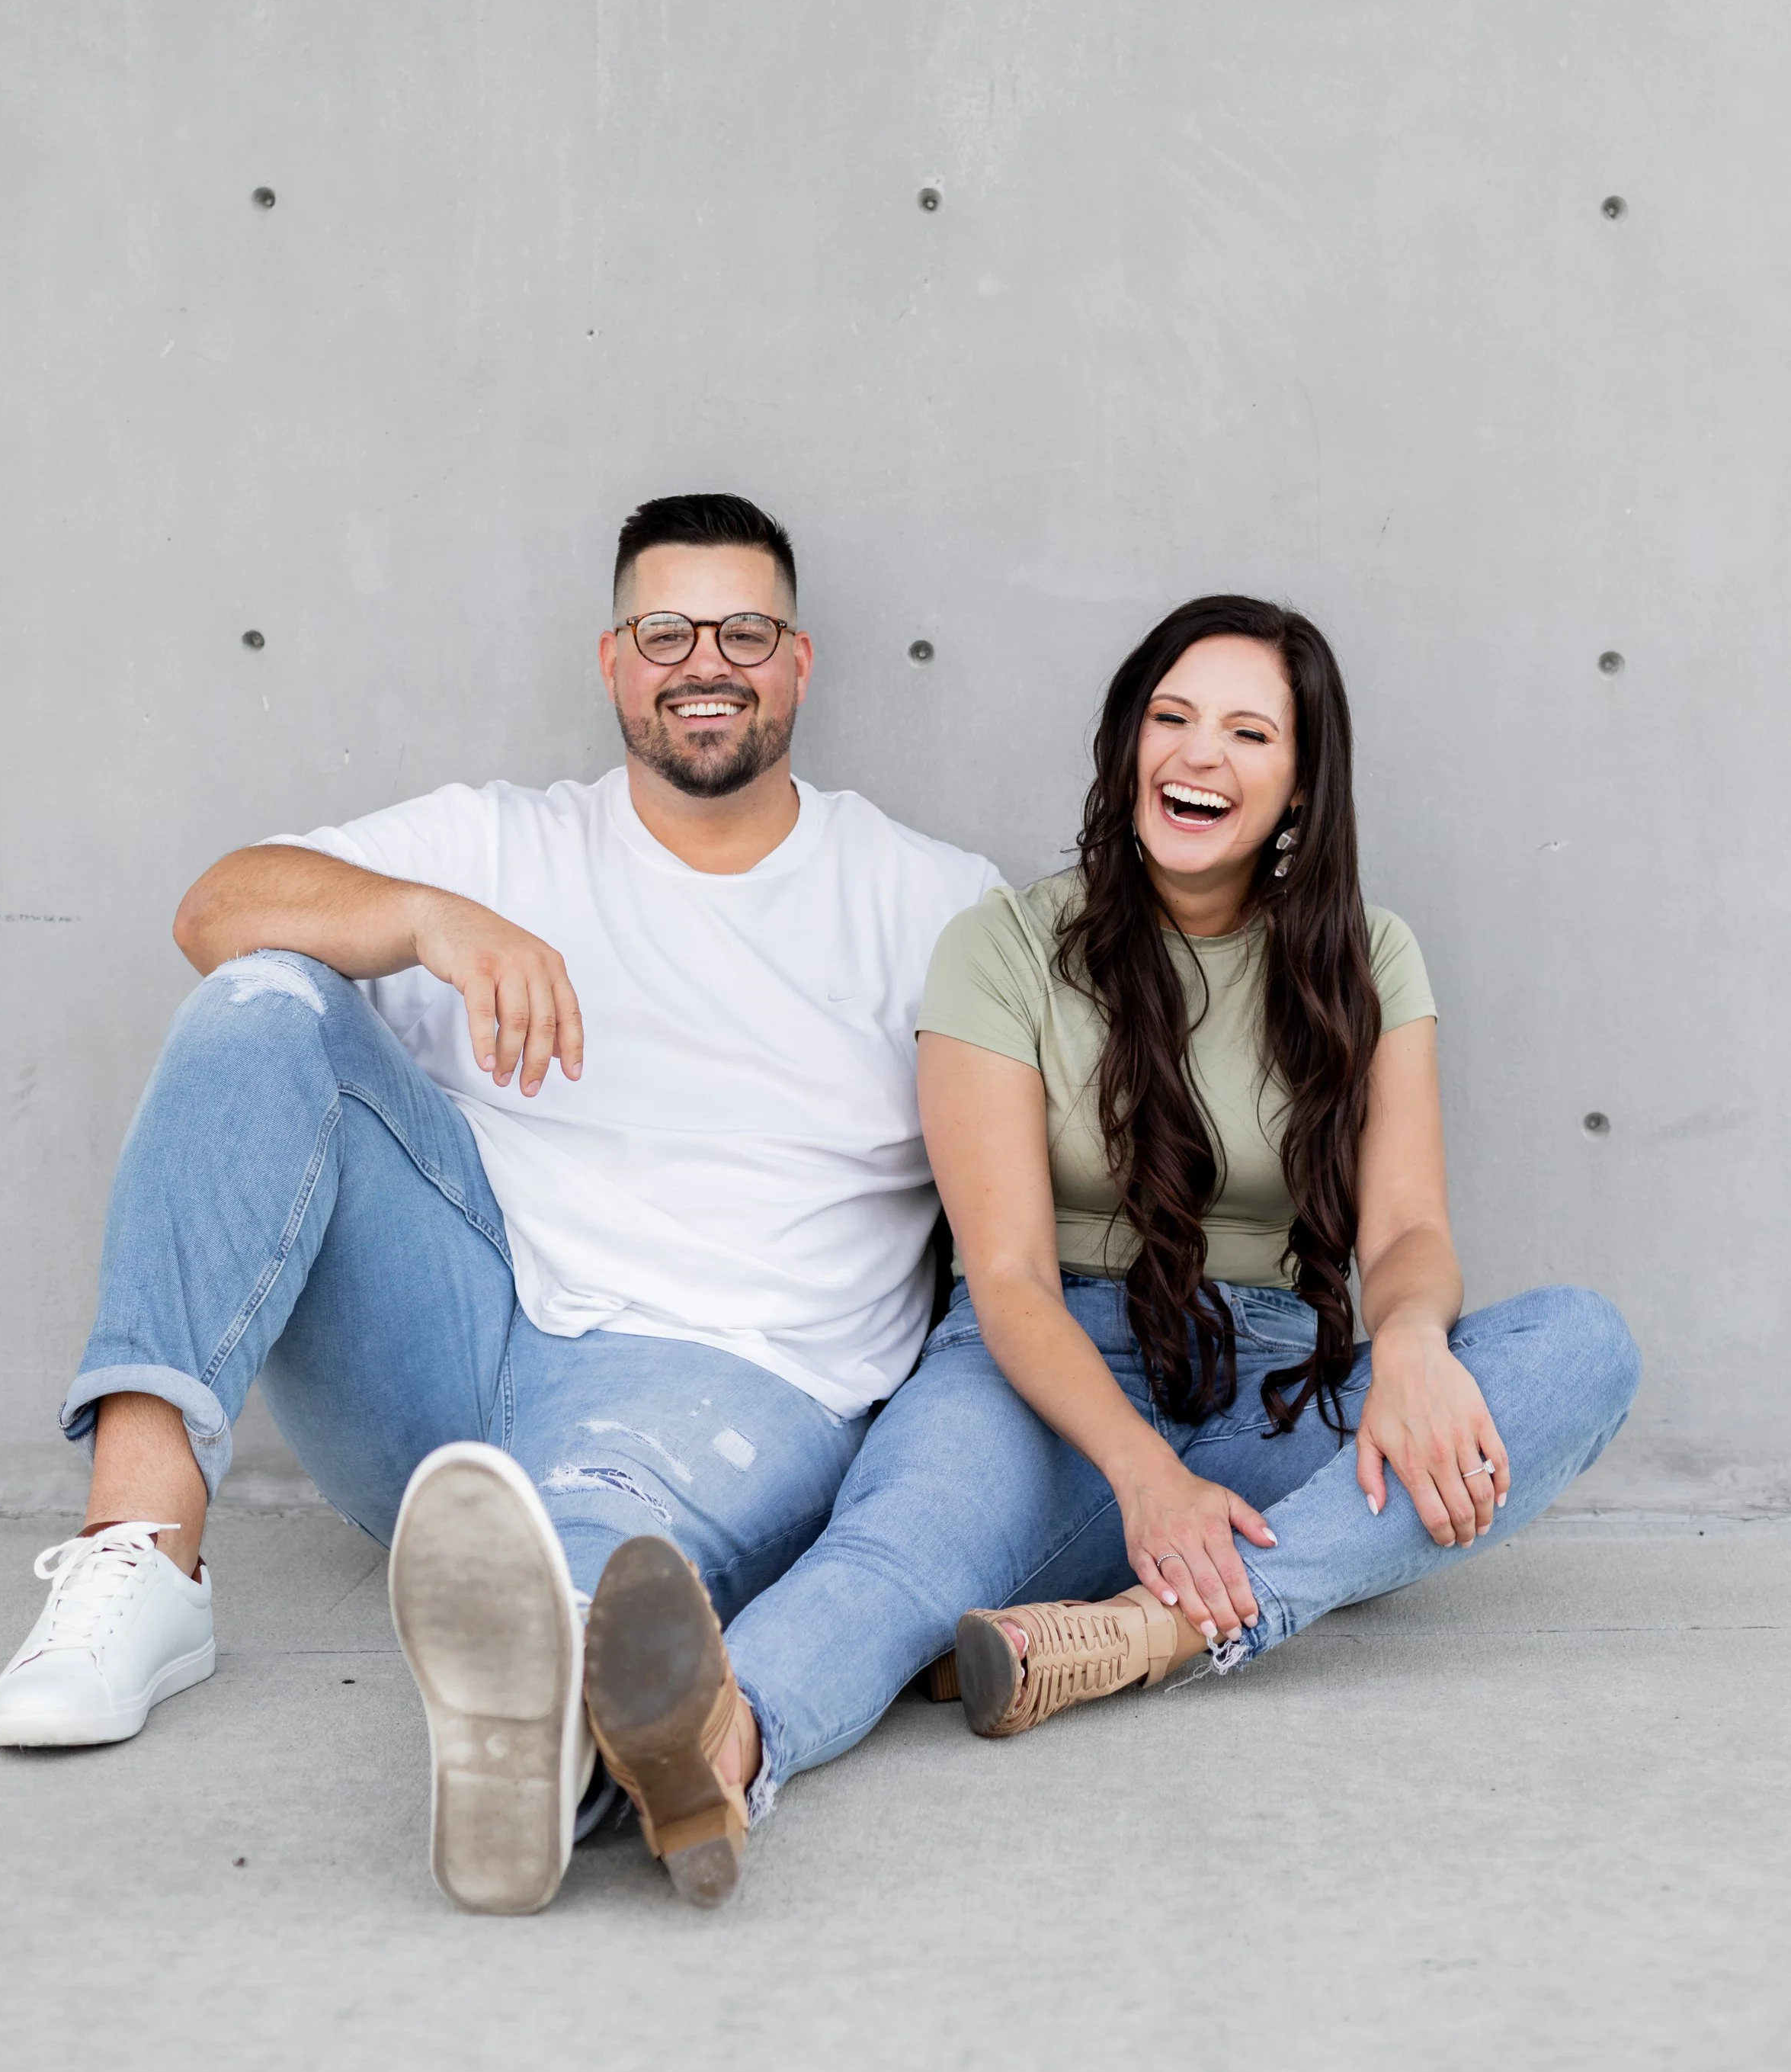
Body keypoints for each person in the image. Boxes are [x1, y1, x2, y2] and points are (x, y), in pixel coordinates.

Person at [0, 492, 1000, 1917]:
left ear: (800, 661)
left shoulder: (930, 900)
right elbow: (215, 907)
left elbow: (1036, 1180)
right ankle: (140, 1559)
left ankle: (541, 1758)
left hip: (730, 1383)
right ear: (611, 660)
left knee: (590, 1578)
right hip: (462, 1346)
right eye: (666, 628)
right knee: (264, 995)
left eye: (745, 629)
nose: (705, 658)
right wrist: (423, 919)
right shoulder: (506, 842)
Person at [588, 595, 1640, 1891]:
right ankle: (718, 1751)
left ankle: (1147, 1634)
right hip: (1049, 1371)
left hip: (1278, 1387)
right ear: (1127, 744)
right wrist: (1146, 1476)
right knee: (900, 1552)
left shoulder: (1370, 957)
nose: (1199, 755)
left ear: (1302, 784)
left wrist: (1413, 1341)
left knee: (1580, 1348)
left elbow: (1409, 1225)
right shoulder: (1006, 948)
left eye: (1249, 732)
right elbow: (1012, 1274)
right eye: (1172, 718)